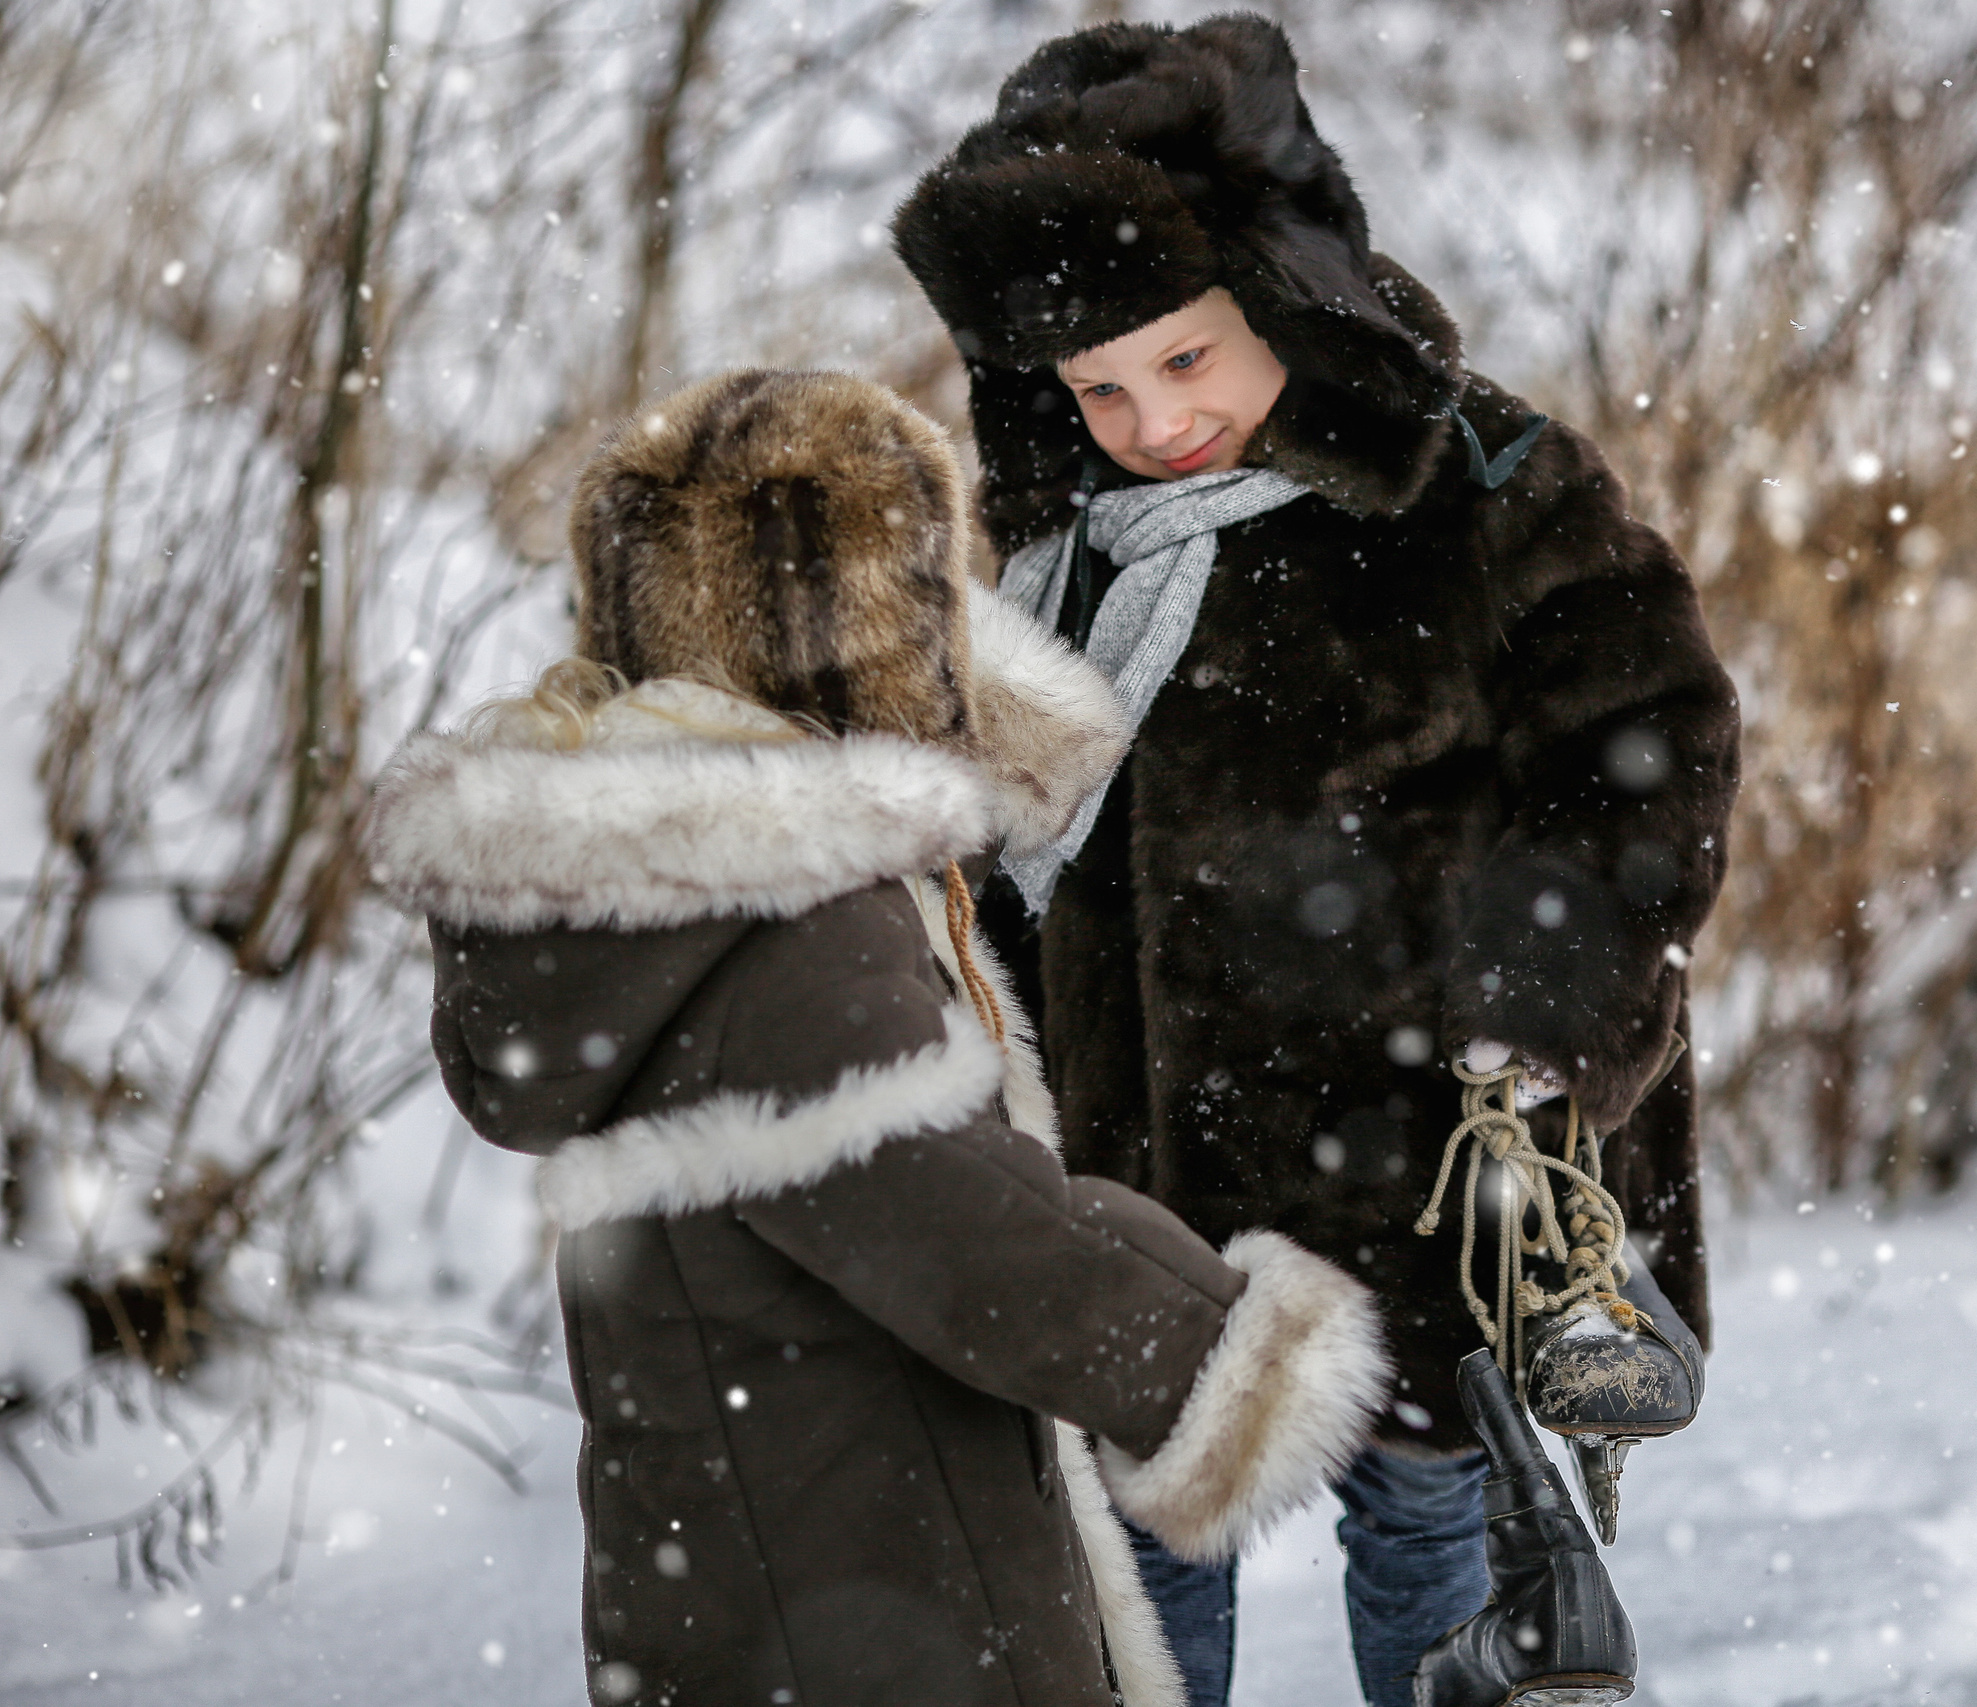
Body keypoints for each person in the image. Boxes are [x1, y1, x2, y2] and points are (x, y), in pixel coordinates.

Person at [892, 15, 1742, 1707]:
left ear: (1281, 293)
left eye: (1186, 360)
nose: (1151, 421)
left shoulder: (1480, 483)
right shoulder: (1057, 560)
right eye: (1099, 387)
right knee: (1133, 1581)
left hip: (1426, 1162)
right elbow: (1017, 853)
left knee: (1435, 1550)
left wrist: (1552, 995)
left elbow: (1648, 744)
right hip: (1142, 1190)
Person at [366, 368, 1393, 1707]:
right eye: (924, 586)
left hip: (741, 1560)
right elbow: (961, 1223)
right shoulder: (789, 909)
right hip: (892, 1575)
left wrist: (972, 712)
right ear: (871, 619)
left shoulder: (646, 880)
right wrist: (1226, 1362)